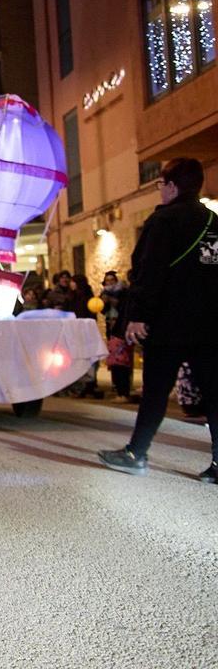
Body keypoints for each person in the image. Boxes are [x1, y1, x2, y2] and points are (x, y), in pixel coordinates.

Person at [99, 158, 218, 482]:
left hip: (168, 324)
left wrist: (137, 315)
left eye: (160, 184)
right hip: (209, 325)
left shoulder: (163, 221)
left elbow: (149, 271)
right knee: (214, 392)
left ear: (172, 186)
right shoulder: (212, 222)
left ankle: (136, 453)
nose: (160, 190)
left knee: (155, 391)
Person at [100, 270, 133, 398]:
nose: (109, 282)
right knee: (113, 357)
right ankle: (116, 385)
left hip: (121, 327)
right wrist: (105, 303)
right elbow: (103, 311)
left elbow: (124, 307)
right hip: (111, 326)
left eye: (111, 280)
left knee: (122, 357)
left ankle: (124, 388)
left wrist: (113, 301)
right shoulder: (104, 293)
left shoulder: (123, 292)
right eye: (107, 280)